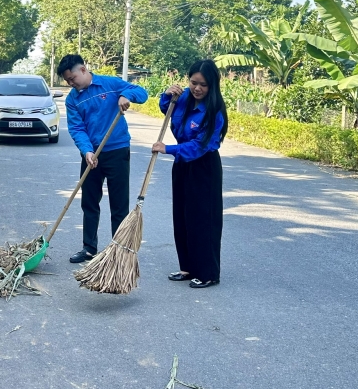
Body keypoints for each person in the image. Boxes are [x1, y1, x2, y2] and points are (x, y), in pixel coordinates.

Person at [57, 54, 148, 263]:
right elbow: (77, 128)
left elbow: (142, 92)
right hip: (92, 155)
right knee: (89, 203)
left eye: (72, 78)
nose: (71, 84)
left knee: (119, 205)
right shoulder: (72, 99)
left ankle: (120, 250)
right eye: (68, 81)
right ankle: (89, 248)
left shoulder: (111, 83)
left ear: (83, 69)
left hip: (117, 151)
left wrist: (126, 96)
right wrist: (87, 151)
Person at [152, 59, 229, 289]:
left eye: (203, 85)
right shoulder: (185, 96)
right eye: (193, 82)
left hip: (204, 166)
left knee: (203, 220)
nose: (197, 88)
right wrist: (167, 95)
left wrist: (168, 149)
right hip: (183, 165)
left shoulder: (214, 112)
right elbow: (168, 110)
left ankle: (207, 273)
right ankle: (187, 267)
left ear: (212, 86)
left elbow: (200, 146)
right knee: (183, 216)